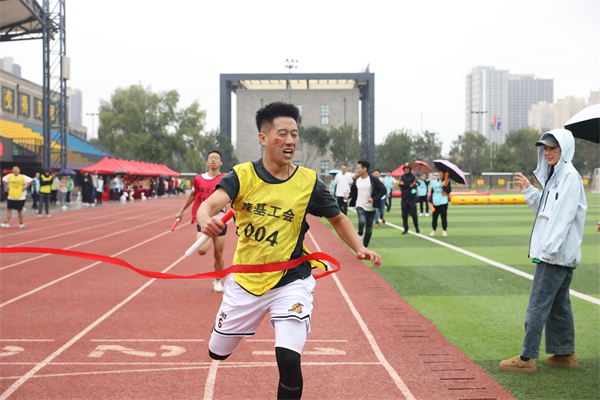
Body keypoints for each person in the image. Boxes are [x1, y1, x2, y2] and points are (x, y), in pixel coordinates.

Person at [196, 102, 381, 400]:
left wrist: (359, 247)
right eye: (282, 134)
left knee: (289, 359)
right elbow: (209, 205)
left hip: (292, 279)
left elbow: (337, 218)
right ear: (264, 138)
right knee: (217, 352)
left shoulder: (308, 182)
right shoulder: (242, 176)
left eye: (294, 134)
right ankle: (225, 331)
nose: (290, 140)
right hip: (246, 281)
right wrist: (205, 219)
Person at [500, 129, 587, 374]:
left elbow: (563, 217)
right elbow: (546, 210)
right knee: (559, 305)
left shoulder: (568, 177)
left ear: (564, 150)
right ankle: (564, 353)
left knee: (538, 304)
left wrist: (548, 250)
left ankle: (526, 357)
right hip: (559, 252)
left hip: (555, 253)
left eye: (553, 149)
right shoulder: (557, 176)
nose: (548, 153)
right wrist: (530, 189)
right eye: (545, 149)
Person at [176, 150, 227, 293]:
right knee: (202, 250)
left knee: (218, 253)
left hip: (220, 219)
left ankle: (218, 280)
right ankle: (217, 278)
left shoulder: (225, 179)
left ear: (221, 162)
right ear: (207, 162)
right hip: (203, 219)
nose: (213, 160)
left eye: (216, 158)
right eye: (211, 158)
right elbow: (193, 195)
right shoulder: (198, 179)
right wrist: (181, 210)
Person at [349, 160, 387, 247]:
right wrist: (348, 195)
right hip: (360, 205)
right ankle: (360, 233)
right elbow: (353, 192)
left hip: (371, 208)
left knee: (369, 231)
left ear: (365, 169)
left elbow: (383, 190)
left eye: (358, 168)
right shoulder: (357, 180)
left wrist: (374, 199)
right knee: (362, 221)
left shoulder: (373, 180)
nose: (357, 170)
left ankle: (365, 246)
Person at [398, 162, 419, 234]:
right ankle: (405, 229)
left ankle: (416, 227)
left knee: (413, 214)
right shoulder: (402, 176)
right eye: (405, 169)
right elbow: (400, 184)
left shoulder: (413, 176)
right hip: (404, 198)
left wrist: (405, 185)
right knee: (404, 215)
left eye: (407, 168)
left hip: (412, 198)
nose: (406, 170)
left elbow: (413, 185)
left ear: (410, 169)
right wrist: (408, 185)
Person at [429, 170, 451, 237]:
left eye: (441, 173)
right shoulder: (434, 182)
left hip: (443, 202)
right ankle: (434, 230)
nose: (440, 174)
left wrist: (443, 186)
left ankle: (444, 230)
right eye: (439, 173)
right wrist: (430, 201)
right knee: (434, 217)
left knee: (443, 217)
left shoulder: (447, 182)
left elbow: (449, 190)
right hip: (435, 202)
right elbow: (432, 192)